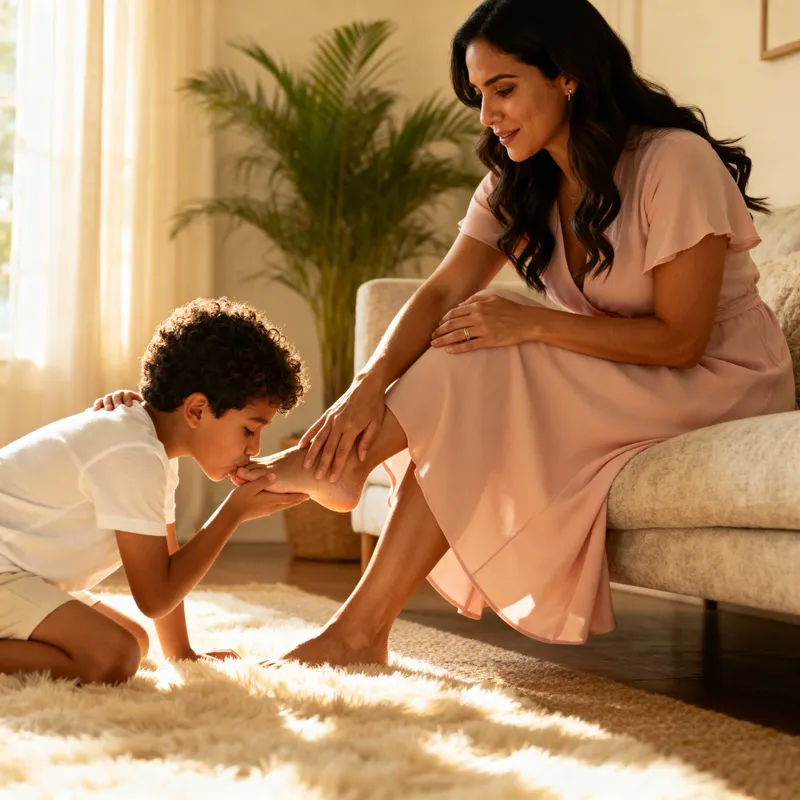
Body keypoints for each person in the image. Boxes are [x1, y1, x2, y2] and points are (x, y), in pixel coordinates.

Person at [106, 0, 795, 668]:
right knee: (466, 343)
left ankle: (339, 519)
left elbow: (681, 341)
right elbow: (438, 291)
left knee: (495, 349)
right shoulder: (518, 182)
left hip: (715, 383)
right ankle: (355, 610)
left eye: (503, 89)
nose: (488, 115)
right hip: (615, 379)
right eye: (478, 94)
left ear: (568, 75)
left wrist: (532, 322)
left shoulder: (673, 162)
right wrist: (363, 391)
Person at [0, 298, 310, 685]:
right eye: (249, 429)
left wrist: (181, 654)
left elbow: (164, 556)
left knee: (135, 640)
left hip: (17, 574)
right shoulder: (133, 452)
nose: (254, 449)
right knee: (114, 655)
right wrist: (233, 514)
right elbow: (155, 596)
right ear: (196, 410)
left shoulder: (150, 448)